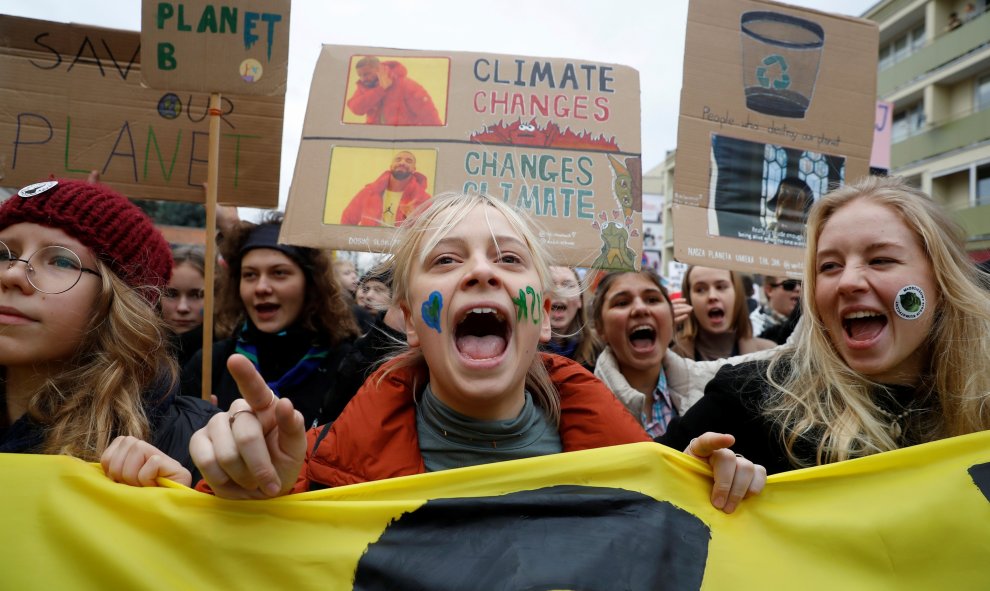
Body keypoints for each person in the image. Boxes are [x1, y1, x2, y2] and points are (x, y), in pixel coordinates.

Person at [118, 193, 766, 514]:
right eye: (447, 260)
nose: (481, 274)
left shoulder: (638, 473)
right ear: (403, 314)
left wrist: (704, 495)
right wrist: (246, 498)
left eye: (510, 260)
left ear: (541, 313)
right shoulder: (323, 474)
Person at [660, 176, 990, 474]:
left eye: (880, 260)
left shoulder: (982, 400)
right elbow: (637, 488)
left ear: (941, 281)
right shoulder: (750, 399)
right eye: (829, 266)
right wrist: (691, 470)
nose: (848, 282)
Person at [0, 179, 217, 479]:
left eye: (61, 260)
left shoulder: (194, 446)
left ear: (119, 303)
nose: (12, 274)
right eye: (3, 254)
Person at [180, 214, 361, 429]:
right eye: (250, 275)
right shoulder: (212, 363)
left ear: (311, 284)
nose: (261, 287)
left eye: (279, 273)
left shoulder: (346, 365)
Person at [673, 265, 775, 360]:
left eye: (721, 287)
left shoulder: (769, 355)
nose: (712, 296)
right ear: (689, 299)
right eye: (700, 289)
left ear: (737, 293)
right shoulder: (670, 358)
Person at [340, 151, 431, 227]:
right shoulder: (369, 192)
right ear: (391, 166)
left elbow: (429, 231)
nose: (402, 162)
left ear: (413, 169)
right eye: (398, 159)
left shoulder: (424, 199)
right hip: (370, 245)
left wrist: (413, 219)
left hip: (402, 247)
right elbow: (347, 221)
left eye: (408, 161)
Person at [346, 56, 442, 126]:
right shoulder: (365, 86)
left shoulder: (405, 84)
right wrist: (380, 90)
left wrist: (437, 136)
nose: (363, 79)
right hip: (376, 138)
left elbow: (428, 113)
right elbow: (356, 109)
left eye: (367, 74)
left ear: (379, 69)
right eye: (360, 75)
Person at [542, 266, 597, 369]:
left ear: (580, 300)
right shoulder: (523, 349)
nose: (559, 291)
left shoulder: (598, 349)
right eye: (550, 285)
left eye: (568, 285)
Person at [162, 244, 207, 369]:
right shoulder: (137, 353)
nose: (182, 308)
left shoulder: (228, 355)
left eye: (196, 295)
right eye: (171, 294)